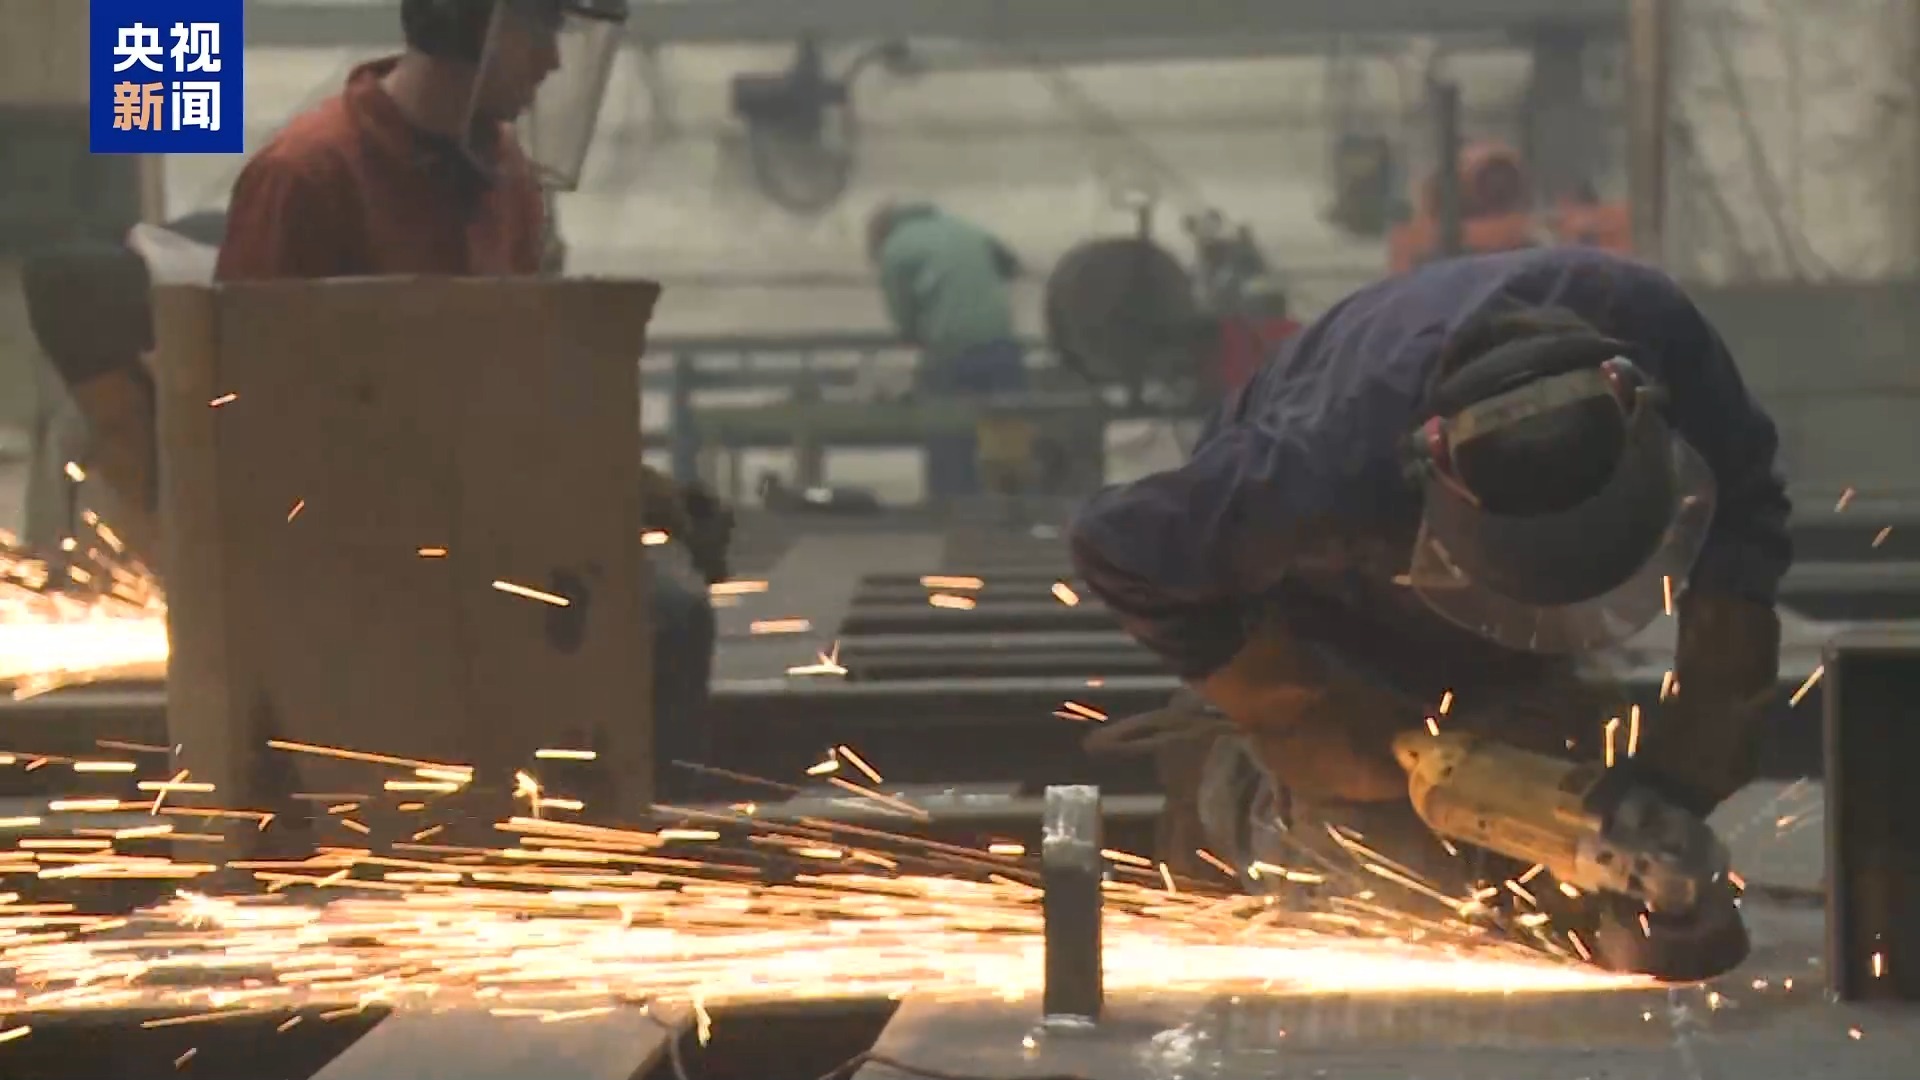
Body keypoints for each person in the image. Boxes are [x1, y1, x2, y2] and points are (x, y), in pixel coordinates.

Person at [1071, 247, 1791, 899]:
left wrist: (1710, 706)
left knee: (1559, 822)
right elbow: (1116, 546)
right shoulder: (1319, 465)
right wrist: (1282, 699)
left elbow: (1745, 509)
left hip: (1490, 624)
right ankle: (1237, 777)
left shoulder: (1660, 339)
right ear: (1437, 474)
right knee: (1386, 868)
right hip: (1321, 615)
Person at [214, 0, 725, 799]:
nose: (554, 61)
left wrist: (626, 490)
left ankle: (621, 843)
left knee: (669, 610)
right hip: (352, 547)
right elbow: (242, 414)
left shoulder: (503, 180)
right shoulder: (309, 177)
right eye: (540, 30)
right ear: (469, 23)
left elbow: (517, 385)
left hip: (479, 527)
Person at [867, 202, 1027, 500]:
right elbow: (1013, 265)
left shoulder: (894, 250)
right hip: (1002, 344)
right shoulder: (966, 229)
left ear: (879, 236)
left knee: (948, 434)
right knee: (1004, 429)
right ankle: (1013, 505)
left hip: (951, 349)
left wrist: (918, 336)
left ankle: (951, 506)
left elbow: (904, 318)